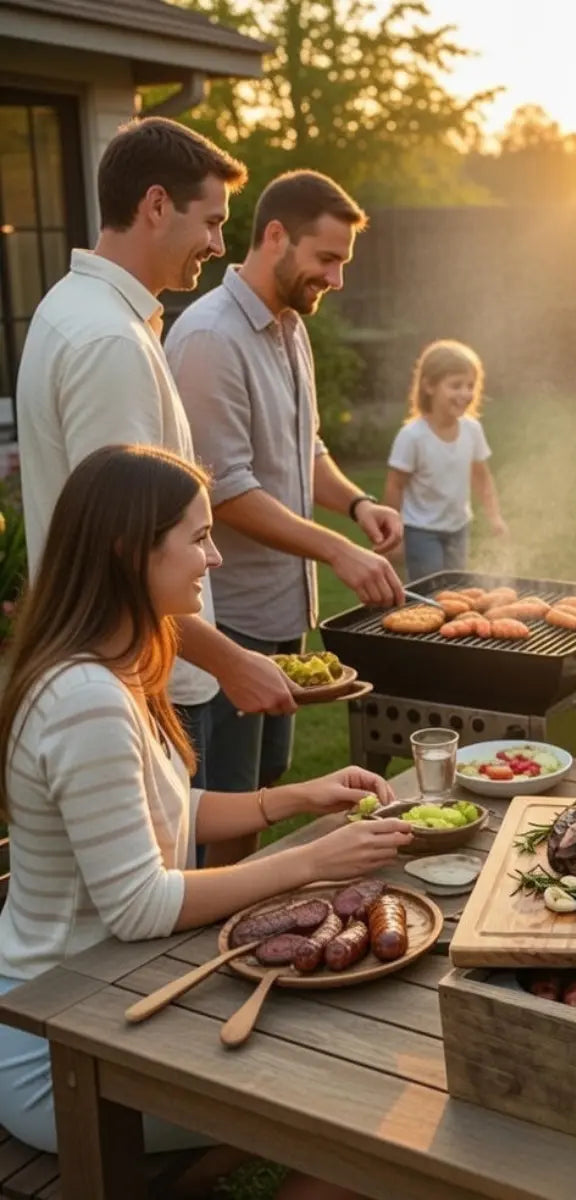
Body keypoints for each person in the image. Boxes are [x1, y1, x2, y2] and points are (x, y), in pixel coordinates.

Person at [0, 444, 411, 1200]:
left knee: (354, 1065)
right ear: (130, 552)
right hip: (62, 1045)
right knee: (382, 1109)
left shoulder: (112, 667)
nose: (215, 557)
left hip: (117, 995)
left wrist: (289, 800)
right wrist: (314, 861)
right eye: (196, 537)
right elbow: (140, 905)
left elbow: (162, 809)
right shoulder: (85, 699)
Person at [14, 115, 295, 801]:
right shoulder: (107, 339)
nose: (218, 244)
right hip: (136, 675)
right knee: (170, 892)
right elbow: (128, 544)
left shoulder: (83, 310)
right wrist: (233, 661)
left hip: (127, 666)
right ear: (156, 204)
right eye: (211, 220)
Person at [166, 170, 405, 847]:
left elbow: (304, 450)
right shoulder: (211, 339)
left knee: (266, 789)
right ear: (275, 236)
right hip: (228, 621)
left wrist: (356, 505)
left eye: (342, 263)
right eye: (326, 258)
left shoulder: (290, 326)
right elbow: (223, 490)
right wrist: (334, 549)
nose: (336, 278)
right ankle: (204, 946)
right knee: (228, 809)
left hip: (281, 618)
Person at [383, 339, 508, 582]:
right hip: (421, 531)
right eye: (456, 385)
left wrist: (495, 517)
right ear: (429, 386)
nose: (465, 394)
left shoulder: (472, 430)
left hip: (459, 528)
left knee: (457, 588)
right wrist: (393, 536)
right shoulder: (413, 436)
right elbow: (394, 486)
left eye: (470, 386)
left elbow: (481, 476)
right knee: (431, 592)